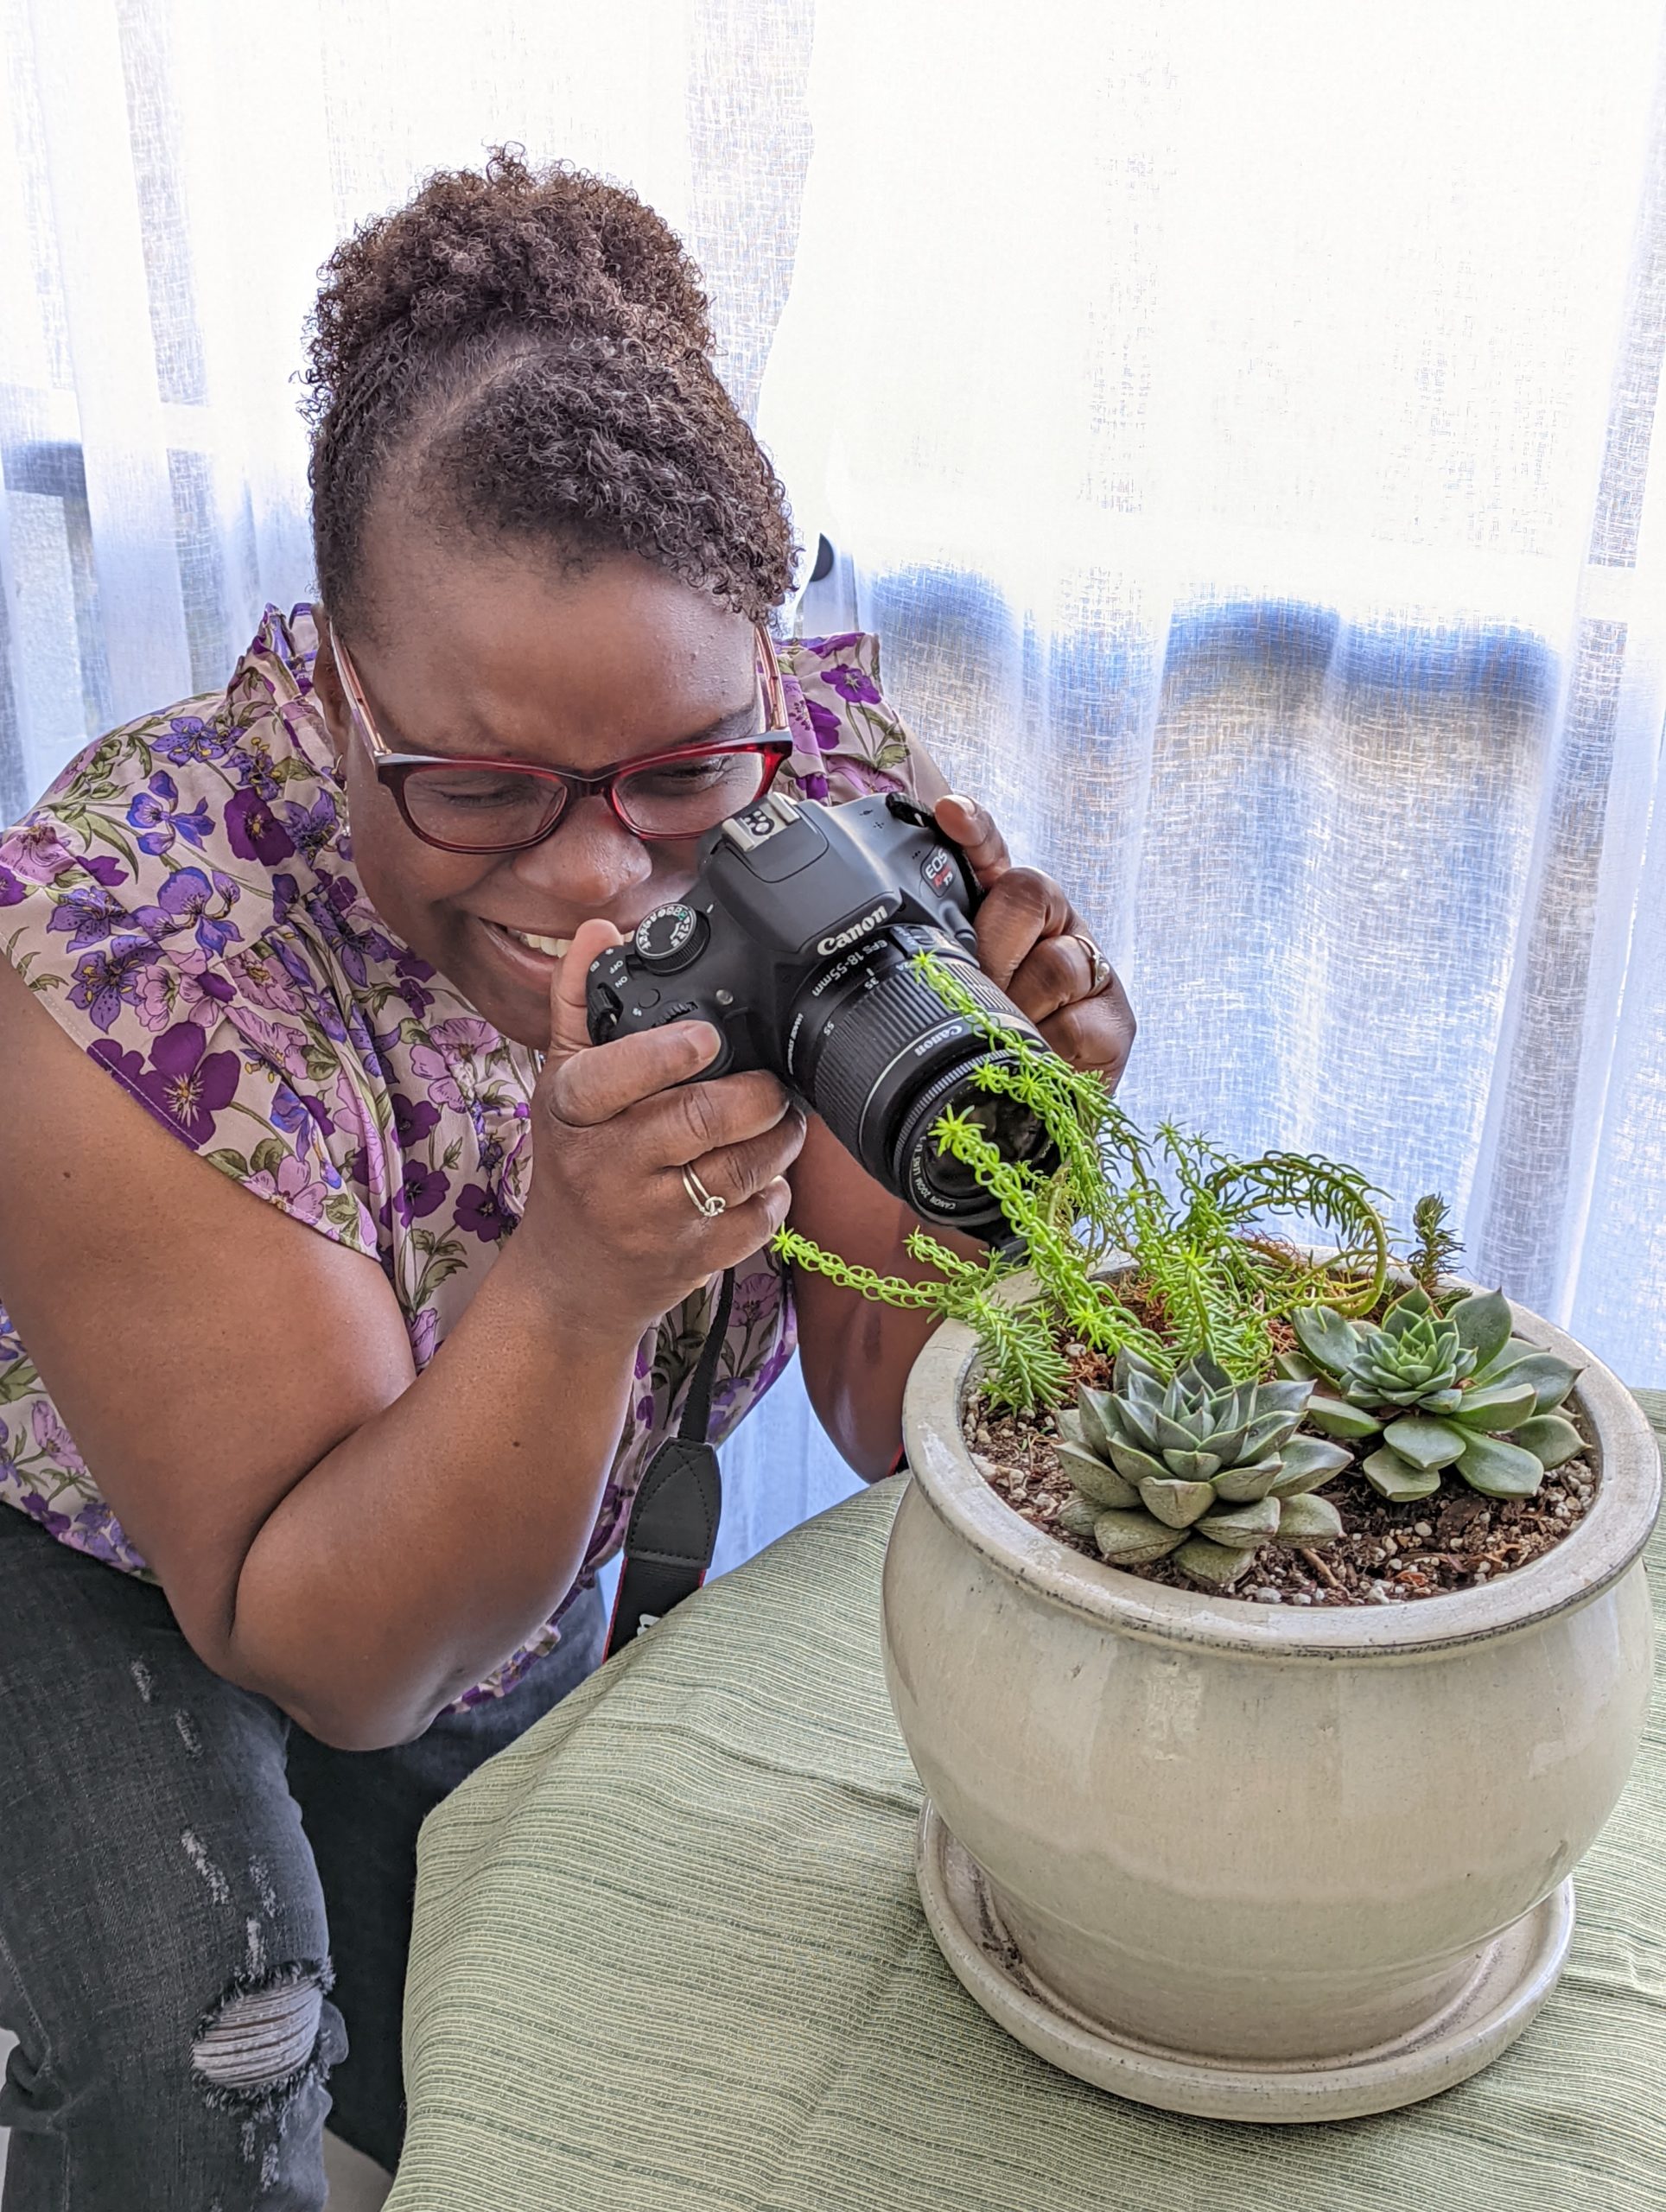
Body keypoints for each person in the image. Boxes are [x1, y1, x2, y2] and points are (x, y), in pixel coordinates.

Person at [0, 152, 1133, 2209]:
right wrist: (578, 1284)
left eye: (685, 773)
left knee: (496, 2033)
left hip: (469, 1500)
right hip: (76, 1528)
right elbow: (318, 1638)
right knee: (216, 2022)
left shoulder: (820, 812)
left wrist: (992, 1170)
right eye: (487, 784)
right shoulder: (132, 952)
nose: (604, 872)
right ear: (338, 678)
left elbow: (889, 1407)